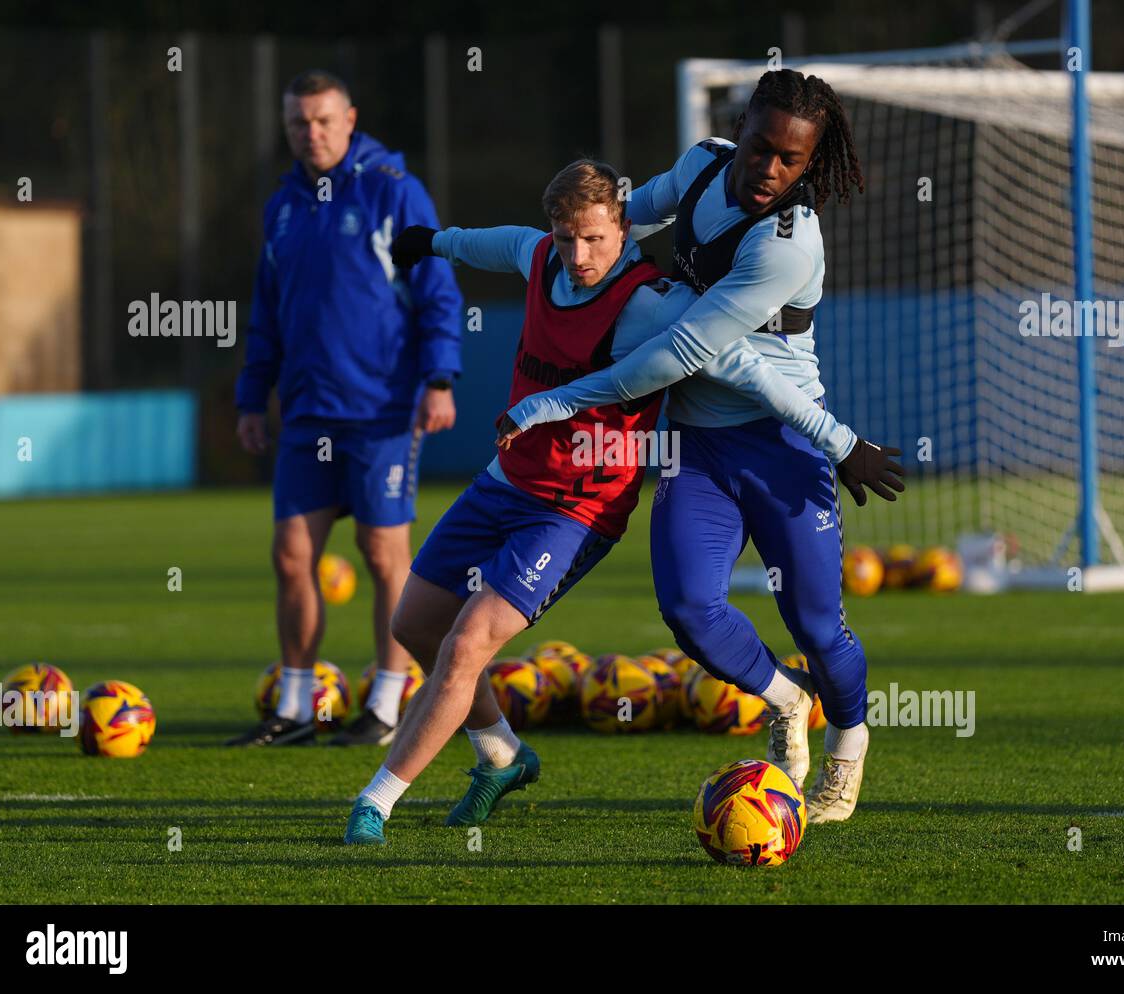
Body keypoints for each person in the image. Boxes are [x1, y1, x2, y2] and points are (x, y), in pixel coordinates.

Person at [343, 158, 861, 844]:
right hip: (504, 481)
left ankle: (376, 801)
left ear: (624, 227)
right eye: (565, 238)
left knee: (467, 645)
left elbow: (745, 367)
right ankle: (501, 755)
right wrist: (434, 240)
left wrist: (842, 440)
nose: (578, 255)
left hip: (573, 510)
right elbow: (490, 243)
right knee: (417, 626)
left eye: (594, 239)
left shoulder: (652, 302)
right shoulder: (541, 259)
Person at [499, 69, 904, 822]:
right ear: (741, 127)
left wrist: (556, 399)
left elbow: (678, 351)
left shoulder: (788, 243)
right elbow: (627, 215)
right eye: (760, 148)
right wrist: (581, 249)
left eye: (790, 160)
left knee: (817, 625)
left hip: (783, 441)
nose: (769, 170)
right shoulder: (701, 166)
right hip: (694, 443)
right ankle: (787, 700)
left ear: (810, 163)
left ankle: (848, 743)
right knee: (689, 607)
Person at [229, 70, 463, 748]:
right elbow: (266, 313)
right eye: (300, 122)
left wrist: (440, 377)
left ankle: (387, 708)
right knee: (291, 555)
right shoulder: (282, 205)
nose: (313, 133)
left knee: (383, 553)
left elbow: (439, 293)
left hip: (382, 411)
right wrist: (252, 396)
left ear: (350, 119)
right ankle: (296, 707)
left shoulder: (393, 189)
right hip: (306, 414)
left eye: (325, 120)